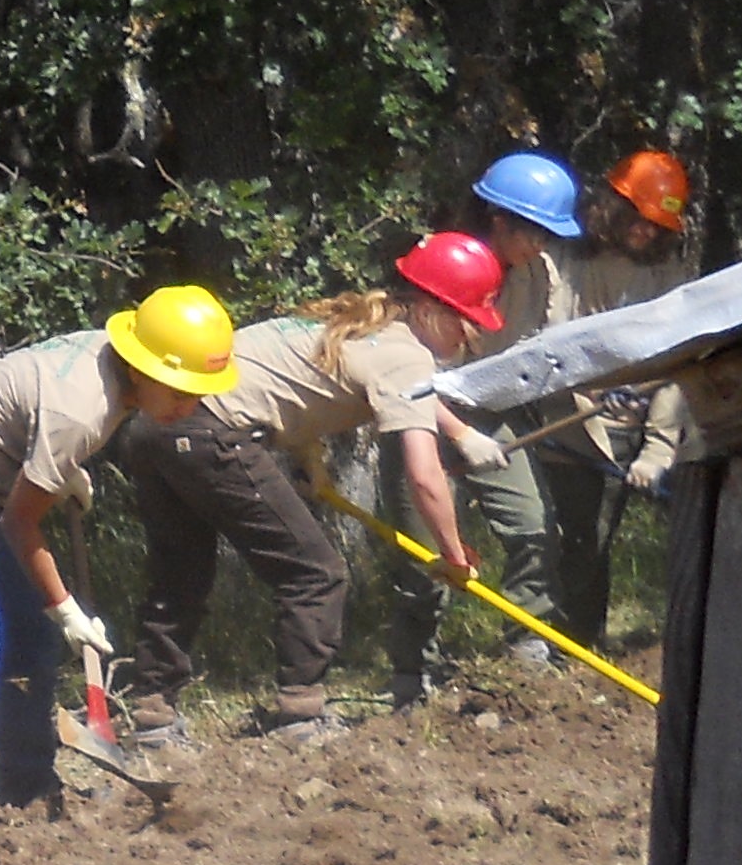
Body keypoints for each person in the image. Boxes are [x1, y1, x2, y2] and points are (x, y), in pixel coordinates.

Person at [112, 238, 506, 743]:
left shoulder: (358, 324)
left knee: (180, 575)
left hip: (156, 423)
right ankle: (300, 714)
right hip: (211, 429)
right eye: (466, 320)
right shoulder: (405, 356)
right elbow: (425, 475)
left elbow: (292, 383)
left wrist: (312, 465)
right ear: (430, 308)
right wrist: (453, 554)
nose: (471, 335)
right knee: (316, 574)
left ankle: (152, 713)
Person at [0, 287, 237, 844]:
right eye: (182, 390)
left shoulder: (117, 375)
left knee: (30, 647)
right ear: (144, 368)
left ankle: (26, 790)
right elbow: (20, 524)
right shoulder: (83, 410)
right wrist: (66, 608)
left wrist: (57, 470)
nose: (189, 406)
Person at [389, 149, 581, 701]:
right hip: (420, 413)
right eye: (534, 232)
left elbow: (543, 349)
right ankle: (413, 674)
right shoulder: (442, 264)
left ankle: (526, 644)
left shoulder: (539, 276)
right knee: (425, 553)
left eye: (550, 235)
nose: (542, 246)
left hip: (493, 413)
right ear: (499, 219)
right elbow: (408, 377)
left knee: (533, 524)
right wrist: (457, 432)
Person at [543, 147, 697, 647]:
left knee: (594, 544)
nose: (646, 232)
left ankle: (582, 644)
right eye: (639, 218)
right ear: (614, 208)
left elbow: (677, 364)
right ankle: (545, 645)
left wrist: (657, 450)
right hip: (565, 424)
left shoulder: (668, 275)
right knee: (558, 538)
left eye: (657, 226)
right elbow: (551, 337)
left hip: (626, 433)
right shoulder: (568, 259)